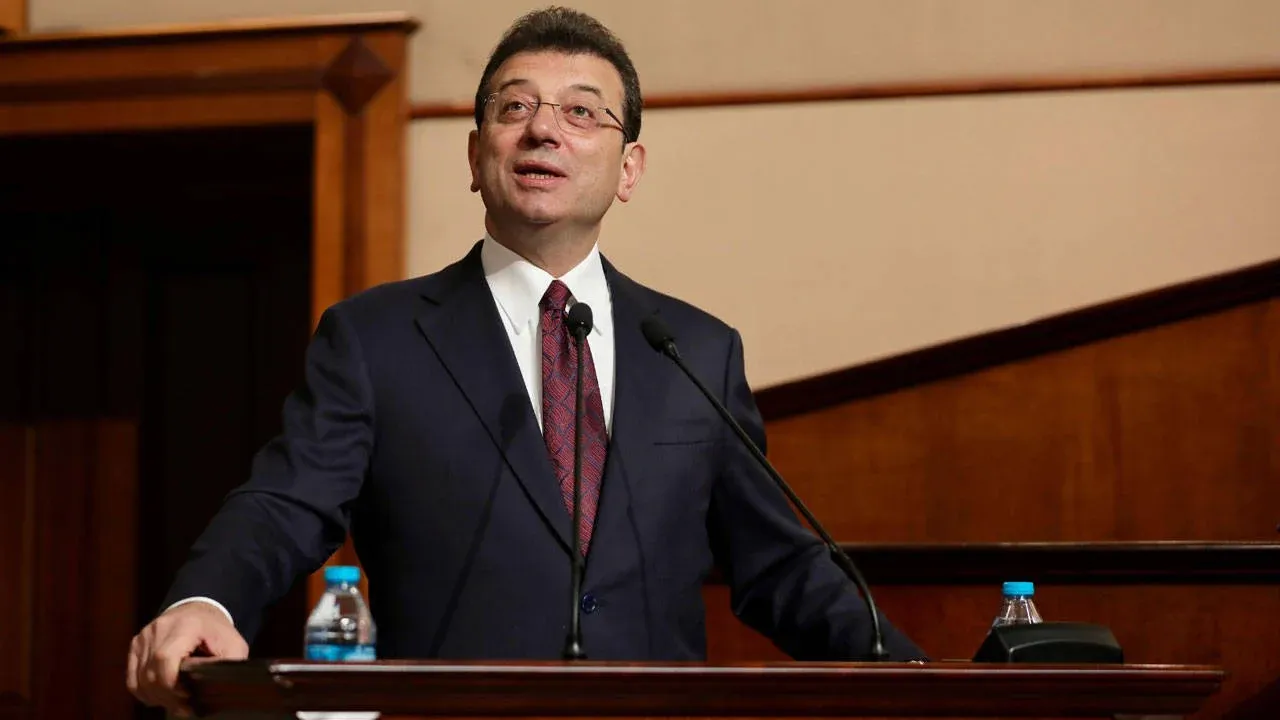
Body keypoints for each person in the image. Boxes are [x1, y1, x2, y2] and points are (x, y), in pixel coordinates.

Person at [127, 6, 925, 715]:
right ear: (476, 154)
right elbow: (285, 504)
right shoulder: (375, 339)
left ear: (629, 169)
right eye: (516, 107)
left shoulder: (696, 349)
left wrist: (918, 678)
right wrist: (208, 600)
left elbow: (779, 566)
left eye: (582, 111)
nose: (544, 130)